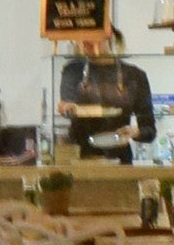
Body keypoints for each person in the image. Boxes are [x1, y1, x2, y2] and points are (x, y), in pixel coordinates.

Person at [57, 31, 154, 161]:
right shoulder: (73, 70)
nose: (85, 42)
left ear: (108, 36)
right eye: (81, 37)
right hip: (79, 157)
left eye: (92, 36)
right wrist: (67, 108)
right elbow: (67, 105)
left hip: (119, 159)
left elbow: (149, 131)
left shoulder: (135, 75)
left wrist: (134, 132)